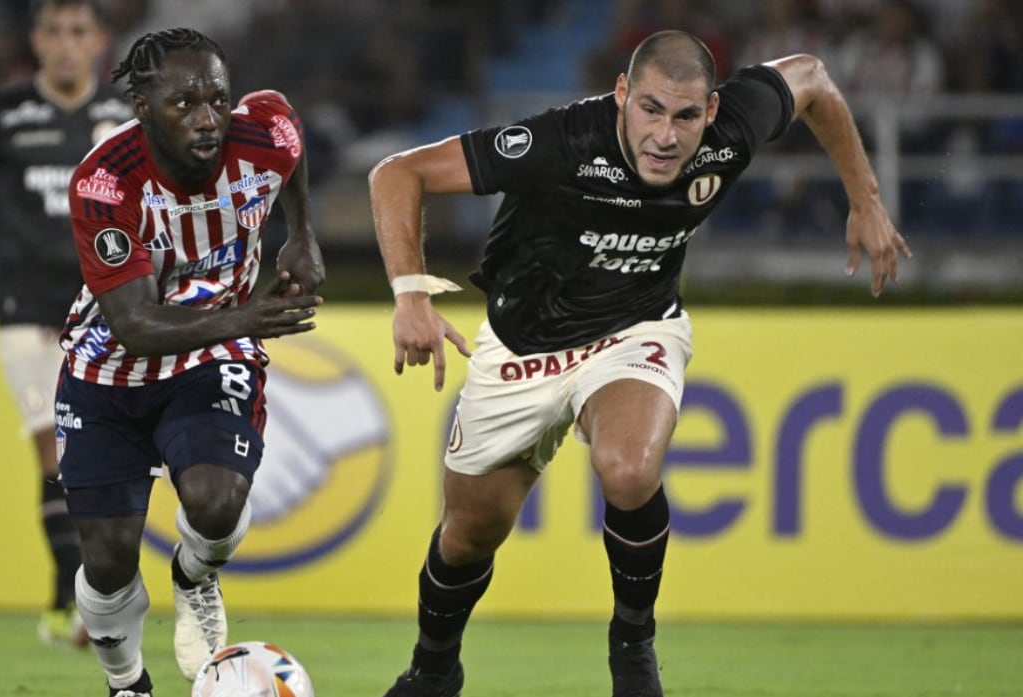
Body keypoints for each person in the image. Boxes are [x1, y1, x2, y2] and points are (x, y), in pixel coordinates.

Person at [367, 30, 911, 697]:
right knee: (469, 533)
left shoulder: (732, 129)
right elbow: (397, 172)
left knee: (627, 467)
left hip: (635, 327)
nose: (665, 134)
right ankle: (433, 667)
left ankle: (632, 645)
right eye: (650, 109)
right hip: (522, 346)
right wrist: (410, 292)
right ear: (622, 95)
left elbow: (814, 78)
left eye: (685, 116)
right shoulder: (560, 142)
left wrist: (868, 199)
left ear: (711, 113)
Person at [55, 27, 323, 697]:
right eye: (184, 104)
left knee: (215, 500)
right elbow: (136, 325)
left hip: (211, 355)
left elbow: (288, 131)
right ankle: (127, 684)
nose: (207, 119)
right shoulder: (104, 182)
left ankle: (195, 575)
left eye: (217, 99)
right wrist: (248, 318)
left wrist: (302, 235)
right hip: (108, 371)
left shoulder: (262, 135)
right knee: (108, 559)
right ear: (142, 108)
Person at [0, 0, 132, 646]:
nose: (66, 44)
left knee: (104, 461)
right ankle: (78, 605)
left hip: (109, 310)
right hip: (27, 310)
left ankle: (71, 599)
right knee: (54, 447)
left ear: (98, 40)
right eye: (53, 31)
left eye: (78, 31)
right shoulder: (4, 114)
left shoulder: (125, 122)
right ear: (36, 41)